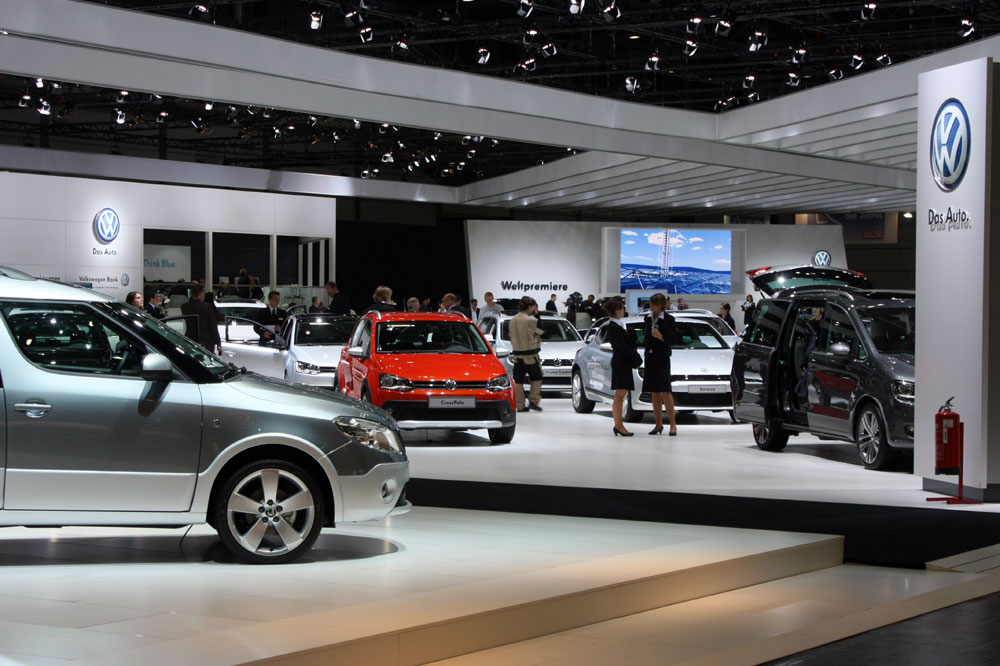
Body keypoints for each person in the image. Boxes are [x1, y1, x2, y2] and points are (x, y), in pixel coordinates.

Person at [605, 297, 642, 437]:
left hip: (623, 363)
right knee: (620, 395)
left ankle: (619, 425)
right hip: (621, 363)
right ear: (617, 310)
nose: (624, 310)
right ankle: (619, 425)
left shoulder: (618, 325)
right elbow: (623, 347)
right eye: (622, 308)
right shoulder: (613, 327)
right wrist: (636, 360)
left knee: (621, 395)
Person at [643, 293, 678, 436]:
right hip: (650, 356)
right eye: (651, 304)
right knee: (654, 391)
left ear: (661, 305)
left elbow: (673, 339)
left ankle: (673, 425)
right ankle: (658, 424)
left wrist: (661, 337)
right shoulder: (647, 318)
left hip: (662, 357)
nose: (652, 307)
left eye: (654, 304)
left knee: (665, 391)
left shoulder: (669, 319)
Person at [509, 296, 544, 412]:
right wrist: (537, 315)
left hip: (516, 355)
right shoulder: (531, 320)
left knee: (518, 380)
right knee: (537, 377)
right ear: (529, 307)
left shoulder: (512, 320)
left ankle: (520, 405)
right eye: (534, 307)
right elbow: (541, 331)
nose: (534, 309)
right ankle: (533, 401)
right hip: (530, 355)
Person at [181, 284, 222, 353]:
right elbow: (213, 326)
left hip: (190, 339)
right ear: (201, 293)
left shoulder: (184, 307)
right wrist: (218, 342)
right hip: (206, 341)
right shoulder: (207, 307)